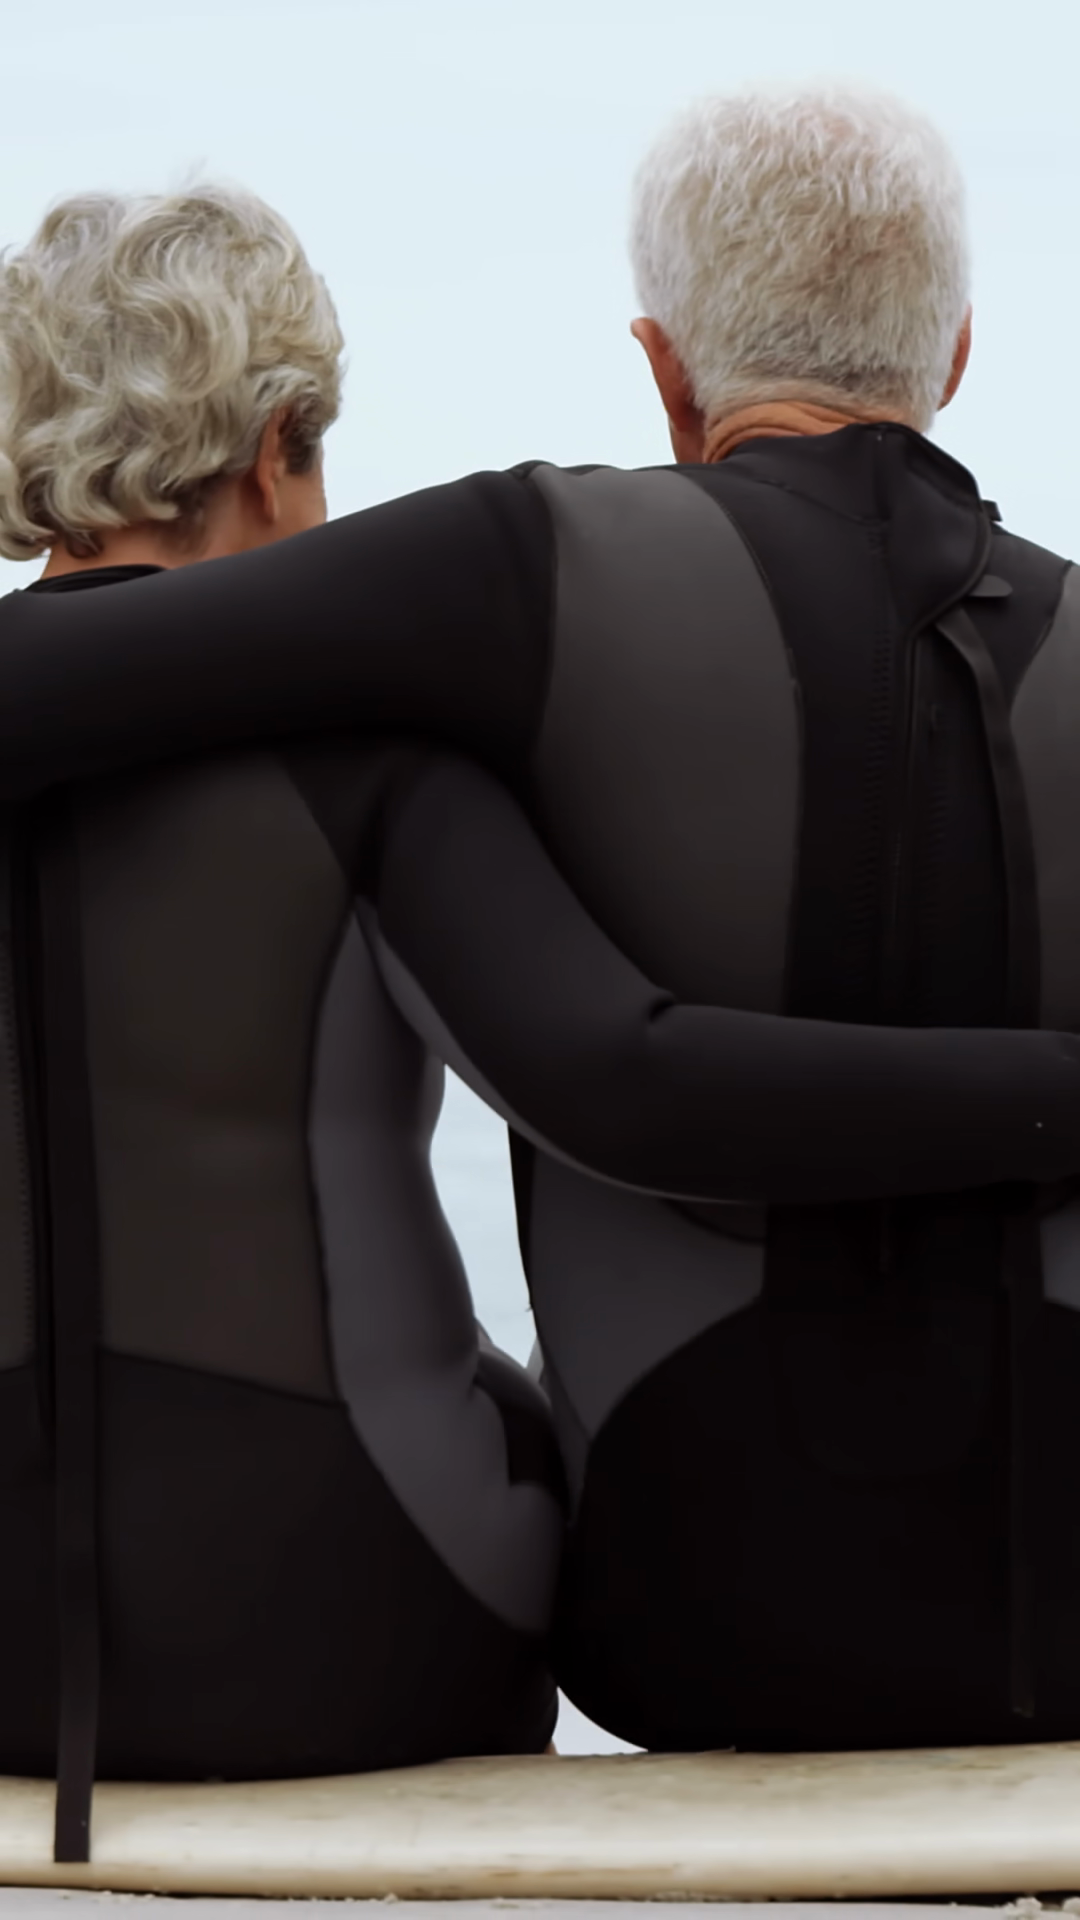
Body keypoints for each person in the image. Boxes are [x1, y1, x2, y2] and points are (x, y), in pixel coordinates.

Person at [0, 81, 1079, 1780]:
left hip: (651, 1640)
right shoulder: (374, 769)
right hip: (373, 1660)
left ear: (666, 368)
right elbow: (619, 1083)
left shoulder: (520, 571)